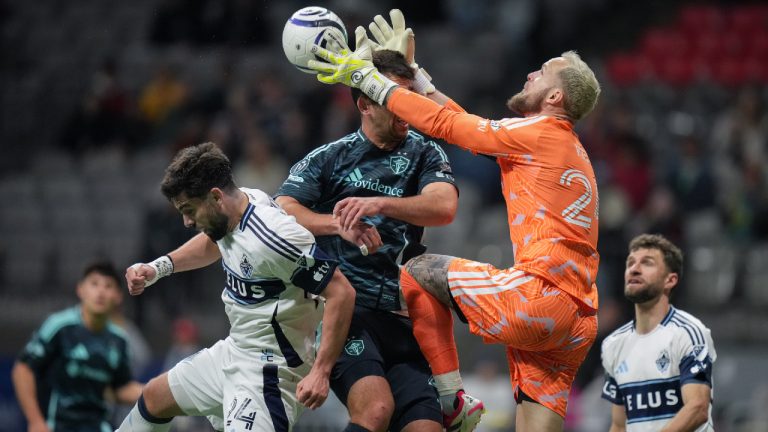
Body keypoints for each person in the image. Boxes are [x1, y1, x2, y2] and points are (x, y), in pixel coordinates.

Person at [308, 11, 602, 431]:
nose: (532, 73)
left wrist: (368, 79)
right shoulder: (564, 146)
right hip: (577, 319)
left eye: (543, 73)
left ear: (555, 98)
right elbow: (468, 125)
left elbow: (448, 126)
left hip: (539, 296)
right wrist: (415, 75)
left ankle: (451, 399)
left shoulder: (539, 133)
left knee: (416, 270)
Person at [274, 45, 459, 432]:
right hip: (347, 314)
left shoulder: (426, 152)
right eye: (395, 96)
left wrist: (383, 203)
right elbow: (283, 208)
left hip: (405, 315)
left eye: (410, 96)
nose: (406, 105)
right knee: (375, 411)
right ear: (365, 105)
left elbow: (444, 206)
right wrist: (334, 225)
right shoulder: (331, 157)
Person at [115, 142, 355, 431]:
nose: (187, 221)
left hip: (269, 373)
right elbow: (215, 241)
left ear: (216, 196)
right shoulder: (238, 206)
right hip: (234, 351)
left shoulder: (275, 239)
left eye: (189, 209)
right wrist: (158, 268)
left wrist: (321, 372)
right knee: (153, 397)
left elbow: (341, 292)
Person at [601, 234, 716, 431]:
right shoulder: (613, 344)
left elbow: (697, 408)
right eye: (630, 263)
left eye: (647, 263)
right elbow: (619, 425)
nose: (634, 269)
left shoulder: (688, 332)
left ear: (670, 280)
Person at [12, 261, 143, 432]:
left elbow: (121, 388)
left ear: (118, 296)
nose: (101, 292)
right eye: (94, 284)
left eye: (108, 286)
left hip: (98, 427)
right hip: (56, 426)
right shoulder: (59, 326)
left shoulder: (119, 339)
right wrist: (36, 421)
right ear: (80, 290)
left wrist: (159, 392)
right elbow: (23, 369)